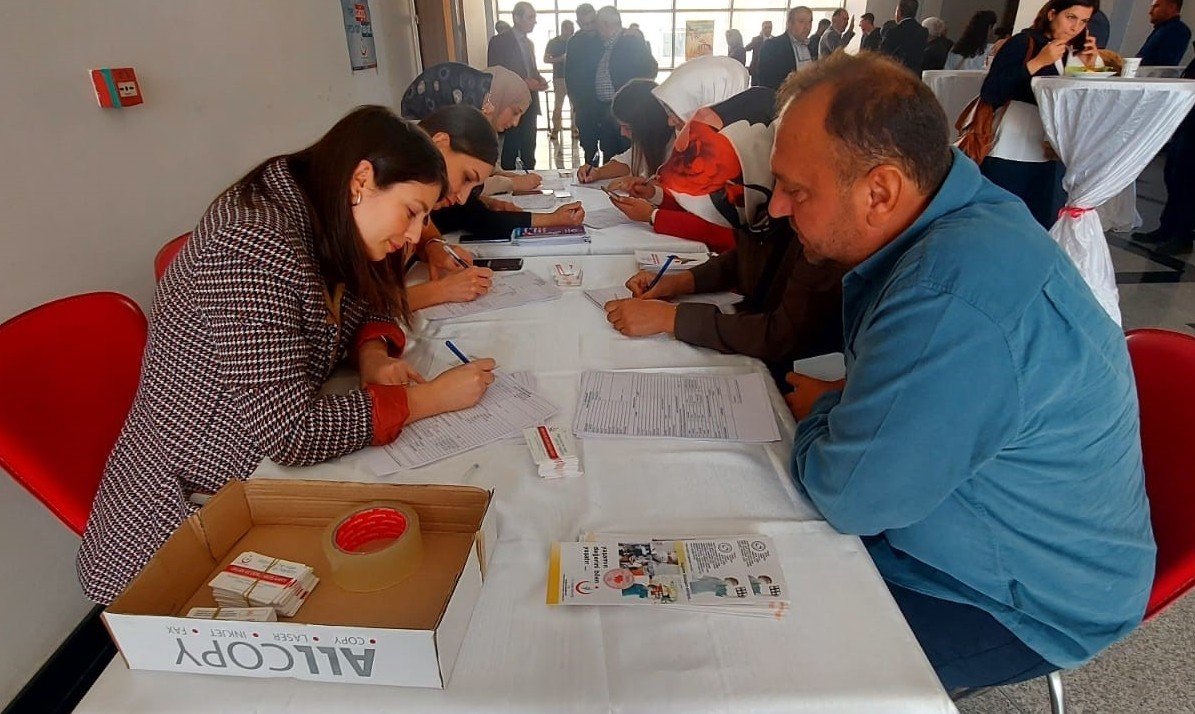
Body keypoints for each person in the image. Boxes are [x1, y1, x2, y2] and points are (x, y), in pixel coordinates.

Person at [772, 52, 1154, 691]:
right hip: (1012, 532)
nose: (779, 207)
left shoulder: (950, 291)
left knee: (772, 663)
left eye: (797, 189)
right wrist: (851, 408)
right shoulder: (962, 212)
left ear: (882, 191)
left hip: (1027, 599)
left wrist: (826, 415)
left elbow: (849, 495)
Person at [77, 107, 501, 603]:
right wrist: (427, 401)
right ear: (361, 179)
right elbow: (291, 434)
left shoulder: (320, 210)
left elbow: (364, 300)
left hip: (248, 473)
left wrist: (370, 353)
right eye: (412, 212)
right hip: (183, 509)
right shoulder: (255, 242)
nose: (414, 235)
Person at [602, 85, 844, 387]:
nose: (781, 206)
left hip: (796, 373)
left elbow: (779, 335)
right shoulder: (763, 206)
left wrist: (671, 318)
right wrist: (678, 282)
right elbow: (741, 260)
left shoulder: (817, 229)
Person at [605, 59, 756, 253]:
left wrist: (654, 215)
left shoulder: (742, 153)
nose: (669, 121)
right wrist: (655, 194)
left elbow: (724, 230)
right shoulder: (706, 142)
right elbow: (696, 205)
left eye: (676, 111)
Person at [980, 0, 1101, 228]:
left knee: (1037, 224)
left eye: (1084, 21)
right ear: (1052, 14)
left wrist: (1088, 68)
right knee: (998, 222)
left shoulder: (1070, 53)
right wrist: (1037, 63)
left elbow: (1076, 103)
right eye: (1071, 17)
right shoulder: (1024, 43)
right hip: (1012, 148)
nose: (1076, 27)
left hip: (1049, 152)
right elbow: (991, 91)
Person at [565, 6, 658, 167]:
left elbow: (650, 68)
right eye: (584, 24)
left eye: (595, 23)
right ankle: (604, 181)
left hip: (623, 108)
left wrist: (633, 96)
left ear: (605, 24)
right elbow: (572, 76)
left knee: (625, 150)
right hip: (599, 109)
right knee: (607, 150)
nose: (593, 28)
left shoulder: (630, 40)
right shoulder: (594, 43)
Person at [1133, 57, 1195, 253]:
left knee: (1188, 182)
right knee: (1173, 176)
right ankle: (1167, 227)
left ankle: (1183, 235)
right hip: (1187, 121)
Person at [575, 79, 674, 184]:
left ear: (648, 125)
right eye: (621, 126)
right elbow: (627, 162)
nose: (622, 133)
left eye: (628, 128)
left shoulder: (678, 147)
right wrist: (598, 172)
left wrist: (650, 189)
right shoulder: (649, 140)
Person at [488, 2, 549, 170]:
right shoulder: (499, 41)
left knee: (530, 144)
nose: (534, 21)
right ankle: (509, 181)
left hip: (530, 100)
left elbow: (532, 69)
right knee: (512, 144)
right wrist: (523, 81)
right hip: (511, 103)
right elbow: (496, 72)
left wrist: (539, 79)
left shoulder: (529, 44)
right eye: (530, 17)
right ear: (516, 18)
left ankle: (530, 178)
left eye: (534, 17)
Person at [566, 4, 600, 160]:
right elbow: (570, 74)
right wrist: (576, 101)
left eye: (591, 22)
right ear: (578, 23)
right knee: (588, 145)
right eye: (583, 24)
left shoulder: (606, 36)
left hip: (606, 101)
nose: (588, 27)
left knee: (610, 144)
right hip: (584, 102)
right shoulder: (574, 42)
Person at [757, 6, 816, 89]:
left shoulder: (812, 45)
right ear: (790, 23)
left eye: (810, 22)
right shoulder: (772, 46)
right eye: (801, 22)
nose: (807, 27)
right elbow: (765, 82)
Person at [544, 20, 575, 141]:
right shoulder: (554, 42)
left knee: (575, 106)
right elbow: (546, 59)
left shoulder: (575, 42)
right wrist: (560, 59)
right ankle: (556, 129)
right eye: (569, 29)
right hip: (559, 78)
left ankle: (575, 129)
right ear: (563, 29)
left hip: (573, 78)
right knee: (558, 105)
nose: (571, 32)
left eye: (572, 30)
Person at [880, 0, 929, 74]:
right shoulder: (923, 31)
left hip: (896, 73)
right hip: (914, 74)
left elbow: (883, 54)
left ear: (899, 12)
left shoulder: (894, 31)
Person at [1138, 0, 1191, 66]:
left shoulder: (1176, 30)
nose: (1150, 12)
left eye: (1156, 6)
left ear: (1171, 7)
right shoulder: (1162, 29)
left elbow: (1162, 68)